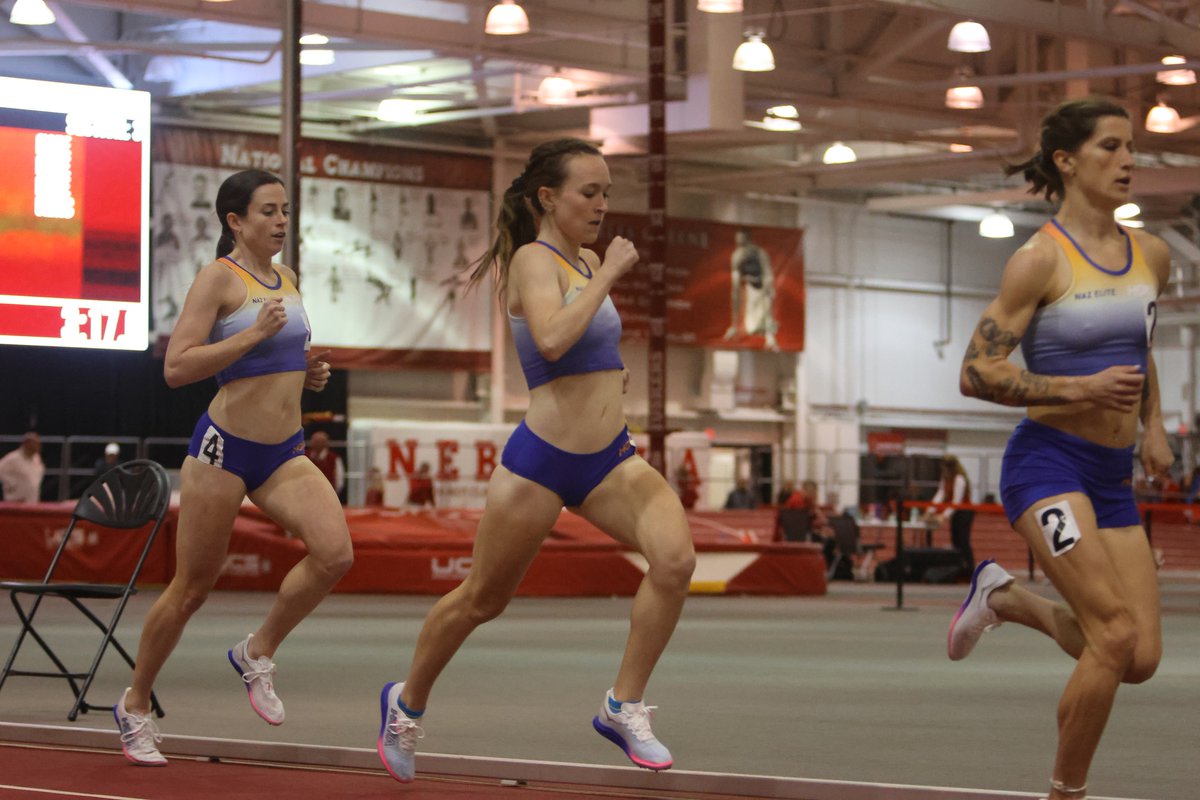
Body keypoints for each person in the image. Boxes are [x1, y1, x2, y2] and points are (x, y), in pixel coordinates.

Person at [376, 138, 695, 783]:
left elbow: (587, 346)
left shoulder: (581, 260)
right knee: (482, 600)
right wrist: (608, 273)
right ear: (548, 197)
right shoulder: (534, 259)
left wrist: (614, 372)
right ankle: (405, 703)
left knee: (675, 559)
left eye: (607, 192)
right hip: (543, 461)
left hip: (610, 457)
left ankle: (622, 705)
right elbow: (549, 340)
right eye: (590, 192)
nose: (603, 204)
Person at [948, 99, 1171, 800]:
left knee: (1140, 658)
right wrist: (1079, 389)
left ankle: (1008, 600)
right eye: (1111, 147)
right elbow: (975, 372)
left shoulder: (1152, 255)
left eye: (1132, 147)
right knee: (1110, 635)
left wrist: (1155, 425)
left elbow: (1140, 350)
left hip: (1111, 476)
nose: (1129, 160)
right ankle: (1065, 792)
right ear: (1068, 162)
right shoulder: (1039, 260)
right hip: (1047, 464)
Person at [113, 169, 353, 767]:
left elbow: (283, 354)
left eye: (285, 211)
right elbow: (177, 368)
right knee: (193, 586)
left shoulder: (288, 279)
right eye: (268, 211)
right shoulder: (218, 279)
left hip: (283, 450)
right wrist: (251, 339)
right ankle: (135, 704)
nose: (280, 221)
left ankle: (257, 650)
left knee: (335, 554)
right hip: (224, 448)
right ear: (235, 221)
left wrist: (307, 372)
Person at [722, 228, 778, 350]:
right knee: (752, 328)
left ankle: (770, 336)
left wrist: (768, 290)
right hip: (751, 288)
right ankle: (758, 327)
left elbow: (768, 274)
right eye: (738, 243)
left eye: (743, 243)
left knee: (765, 313)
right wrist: (734, 324)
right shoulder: (736, 257)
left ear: (749, 241)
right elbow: (735, 285)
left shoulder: (760, 253)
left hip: (763, 286)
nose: (741, 246)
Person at [0, 432, 45, 503]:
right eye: (34, 444)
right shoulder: (13, 458)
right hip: (16, 500)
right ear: (27, 443)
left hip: (32, 500)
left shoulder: (36, 458)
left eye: (38, 444)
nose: (37, 446)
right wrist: (11, 484)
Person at [925, 455, 971, 522]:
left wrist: (943, 516)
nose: (943, 471)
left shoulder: (959, 479)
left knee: (960, 532)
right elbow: (940, 494)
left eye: (944, 469)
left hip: (964, 511)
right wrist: (929, 511)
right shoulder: (945, 478)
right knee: (954, 531)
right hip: (954, 510)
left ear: (951, 469)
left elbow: (956, 501)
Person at [304, 430, 345, 501]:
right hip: (307, 496)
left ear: (326, 443)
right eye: (315, 441)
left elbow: (339, 481)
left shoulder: (334, 458)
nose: (317, 444)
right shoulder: (305, 457)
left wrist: (333, 495)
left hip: (328, 497)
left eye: (320, 442)